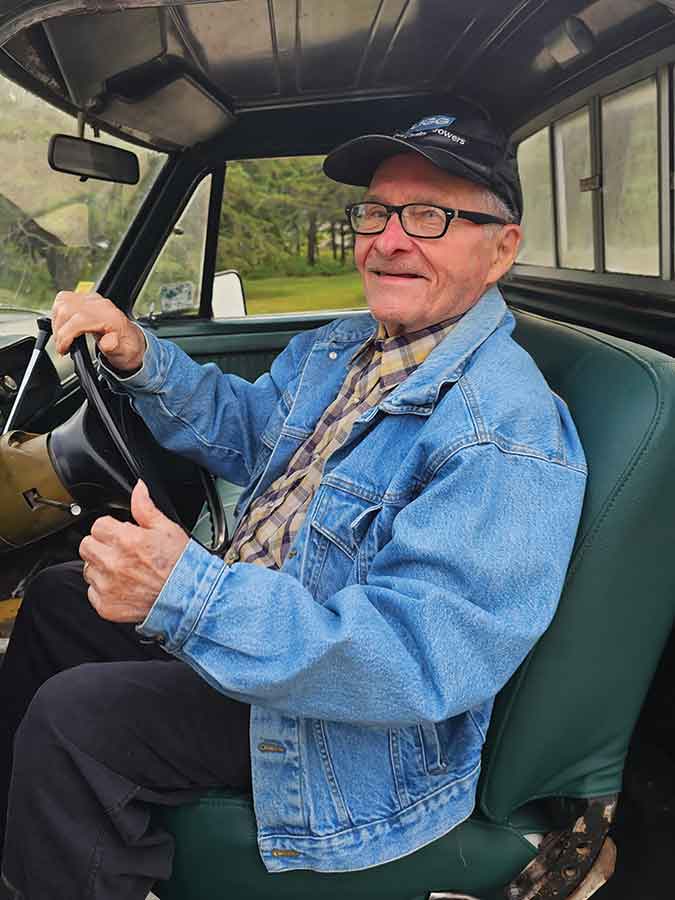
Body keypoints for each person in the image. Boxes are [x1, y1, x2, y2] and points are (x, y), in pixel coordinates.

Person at [0, 110, 587, 899]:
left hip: (347, 725)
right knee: (60, 595)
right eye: (376, 212)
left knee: (79, 721)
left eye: (430, 216)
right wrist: (139, 356)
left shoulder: (502, 429)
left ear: (501, 247)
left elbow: (415, 663)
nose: (388, 240)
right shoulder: (349, 345)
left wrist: (190, 593)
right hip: (268, 632)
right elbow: (253, 432)